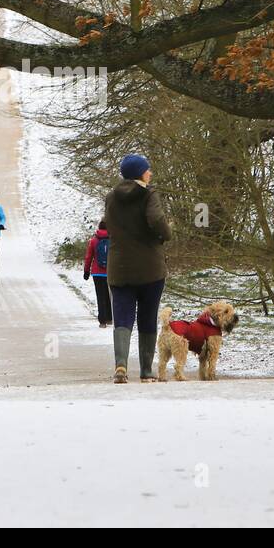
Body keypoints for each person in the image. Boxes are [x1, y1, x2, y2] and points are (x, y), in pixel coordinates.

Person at [103, 153, 171, 384]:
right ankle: (146, 370)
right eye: (147, 169)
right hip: (149, 267)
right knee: (147, 316)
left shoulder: (111, 197)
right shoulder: (148, 194)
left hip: (119, 267)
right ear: (140, 173)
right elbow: (155, 219)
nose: (150, 173)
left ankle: (121, 364)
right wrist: (165, 234)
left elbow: (108, 224)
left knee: (122, 316)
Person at [82, 220, 112, 327]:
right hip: (110, 272)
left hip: (97, 273)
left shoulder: (94, 241)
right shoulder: (112, 240)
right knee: (109, 295)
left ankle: (102, 321)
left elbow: (88, 257)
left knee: (100, 296)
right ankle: (109, 318)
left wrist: (86, 270)